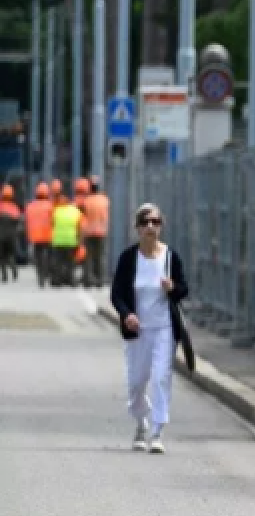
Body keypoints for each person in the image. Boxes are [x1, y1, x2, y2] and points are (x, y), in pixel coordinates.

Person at [110, 203, 189, 453]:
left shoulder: (170, 257)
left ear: (161, 226)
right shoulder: (128, 258)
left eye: (155, 222)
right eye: (145, 222)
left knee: (160, 378)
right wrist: (126, 314)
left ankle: (157, 431)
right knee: (136, 383)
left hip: (164, 328)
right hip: (138, 330)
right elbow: (117, 294)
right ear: (137, 228)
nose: (150, 227)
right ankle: (141, 421)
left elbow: (183, 290)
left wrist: (172, 288)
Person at [50, 191, 84, 287]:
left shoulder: (56, 211)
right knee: (70, 262)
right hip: (71, 240)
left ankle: (57, 281)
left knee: (58, 262)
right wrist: (80, 240)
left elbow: (51, 224)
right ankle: (71, 281)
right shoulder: (75, 211)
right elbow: (80, 226)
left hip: (58, 240)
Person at [82, 178, 110, 287]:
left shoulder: (87, 201)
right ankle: (100, 280)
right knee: (100, 257)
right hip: (101, 232)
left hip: (89, 232)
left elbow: (84, 216)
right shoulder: (104, 200)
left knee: (89, 257)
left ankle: (88, 280)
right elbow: (105, 216)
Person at [25, 182, 53, 287]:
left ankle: (40, 277)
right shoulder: (50, 206)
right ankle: (46, 274)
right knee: (48, 256)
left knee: (38, 257)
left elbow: (27, 221)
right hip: (48, 235)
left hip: (35, 236)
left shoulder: (30, 206)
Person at [0, 185, 21, 282]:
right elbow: (18, 221)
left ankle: (4, 275)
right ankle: (14, 270)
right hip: (11, 236)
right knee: (11, 254)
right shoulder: (14, 207)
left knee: (2, 256)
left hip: (1, 236)